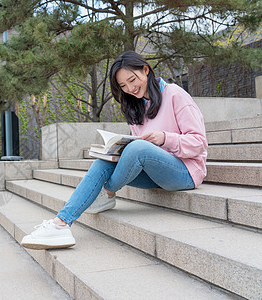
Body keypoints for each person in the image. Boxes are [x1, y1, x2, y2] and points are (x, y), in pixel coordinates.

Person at [21, 51, 208, 250]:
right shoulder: (135, 106)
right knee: (104, 161)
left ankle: (106, 192)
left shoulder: (174, 94)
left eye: (132, 80)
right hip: (154, 174)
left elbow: (199, 143)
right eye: (123, 86)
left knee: (137, 148)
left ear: (146, 70)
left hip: (185, 172)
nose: (130, 88)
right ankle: (61, 224)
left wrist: (165, 138)